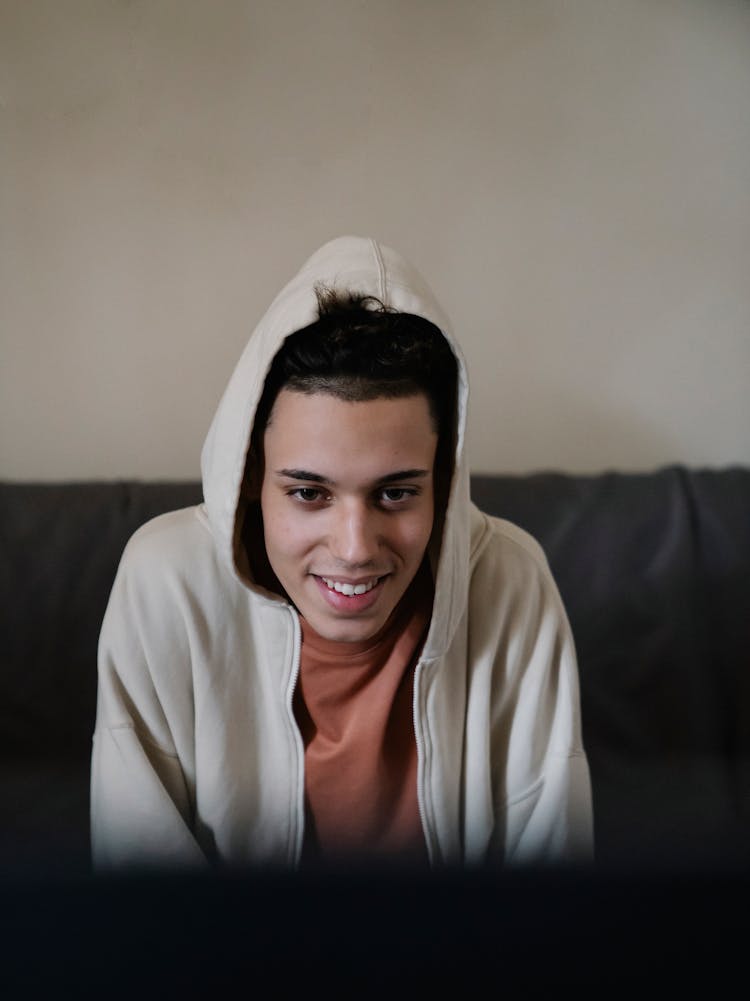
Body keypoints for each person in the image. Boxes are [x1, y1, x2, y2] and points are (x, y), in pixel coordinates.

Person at [90, 235, 593, 871]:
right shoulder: (165, 581)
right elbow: (140, 899)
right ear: (250, 474)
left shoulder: (511, 583)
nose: (354, 549)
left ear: (444, 480)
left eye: (396, 493)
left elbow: (554, 892)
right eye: (308, 492)